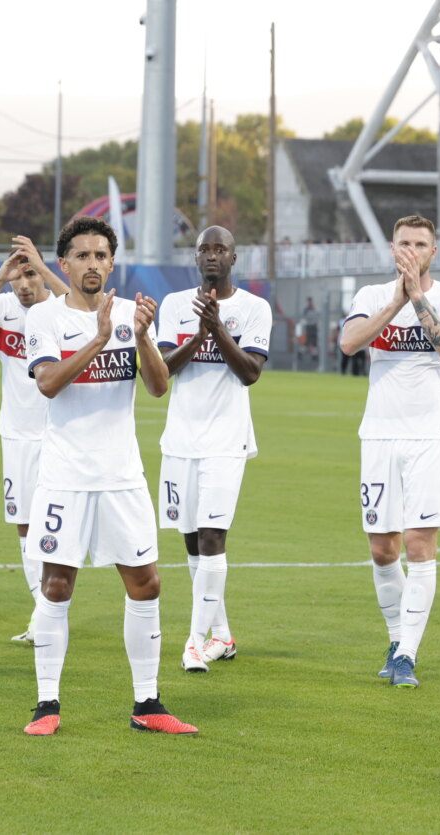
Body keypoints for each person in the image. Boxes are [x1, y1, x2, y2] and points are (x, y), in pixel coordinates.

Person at [21, 216, 196, 736]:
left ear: (111, 263)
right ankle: (46, 706)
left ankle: (148, 703)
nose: (92, 264)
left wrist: (141, 337)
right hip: (65, 476)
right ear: (64, 264)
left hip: (122, 475)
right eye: (83, 255)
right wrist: (99, 340)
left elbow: (159, 387)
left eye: (101, 255)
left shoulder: (132, 313)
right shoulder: (44, 318)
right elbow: (49, 383)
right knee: (56, 583)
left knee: (145, 581)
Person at [339, 215, 440, 688]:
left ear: (433, 252)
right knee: (381, 549)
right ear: (392, 249)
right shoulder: (371, 296)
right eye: (404, 243)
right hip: (378, 434)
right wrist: (396, 297)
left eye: (420, 244)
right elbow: (350, 342)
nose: (411, 250)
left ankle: (408, 656)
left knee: (419, 544)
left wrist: (417, 296)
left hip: (429, 435)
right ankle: (395, 639)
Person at [156, 226, 270, 672]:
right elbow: (163, 372)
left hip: (227, 439)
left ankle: (194, 640)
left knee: (211, 537)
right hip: (181, 439)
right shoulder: (172, 305)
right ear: (195, 256)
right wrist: (198, 337)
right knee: (189, 540)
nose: (211, 256)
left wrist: (218, 328)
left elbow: (250, 373)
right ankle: (221, 634)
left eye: (220, 249)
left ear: (233, 258)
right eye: (204, 248)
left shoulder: (254, 308)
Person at [0, 235, 69, 642]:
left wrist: (42, 269)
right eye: (17, 278)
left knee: (57, 526)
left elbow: (84, 310)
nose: (23, 285)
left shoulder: (59, 309)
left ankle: (53, 608)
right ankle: (41, 614)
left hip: (58, 435)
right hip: (16, 435)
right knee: (24, 526)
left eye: (29, 276)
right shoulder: (3, 308)